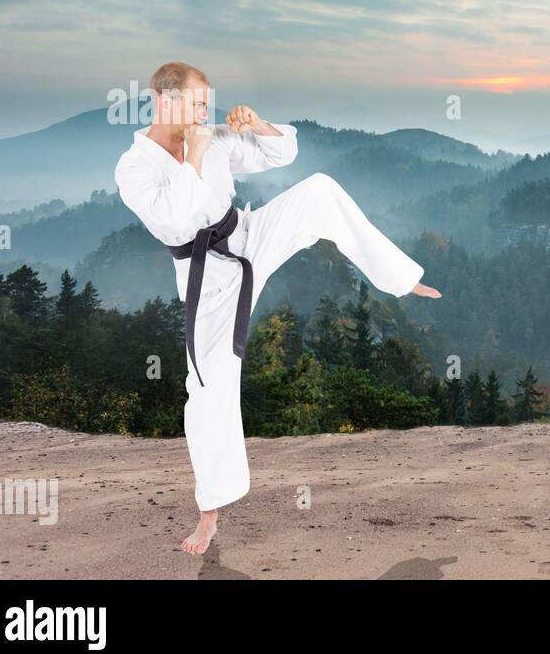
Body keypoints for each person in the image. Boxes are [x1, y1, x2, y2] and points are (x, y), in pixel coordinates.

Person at [114, 62, 442, 554]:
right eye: (198, 104)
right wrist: (196, 156)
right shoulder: (135, 167)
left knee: (320, 191)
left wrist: (258, 124)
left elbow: (282, 151)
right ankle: (210, 513)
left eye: (209, 102)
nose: (207, 112)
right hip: (209, 279)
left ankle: (400, 277)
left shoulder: (214, 137)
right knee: (207, 388)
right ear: (165, 103)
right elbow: (173, 221)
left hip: (246, 234)